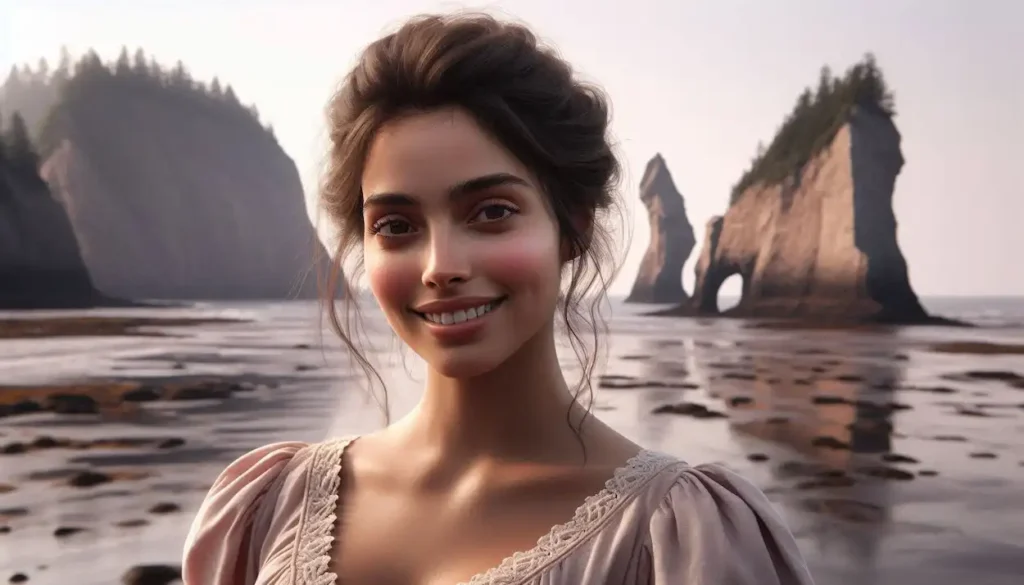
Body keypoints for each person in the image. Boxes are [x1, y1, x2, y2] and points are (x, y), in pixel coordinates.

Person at [181, 12, 816, 585]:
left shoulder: (681, 539)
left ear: (573, 226)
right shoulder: (268, 506)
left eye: (491, 212)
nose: (440, 267)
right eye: (396, 226)